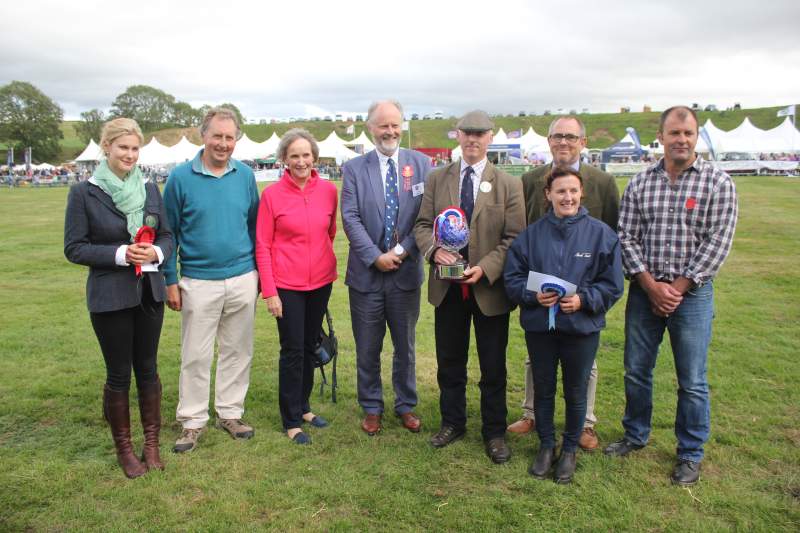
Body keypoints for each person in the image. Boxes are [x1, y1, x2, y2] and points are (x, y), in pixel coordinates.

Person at [605, 106, 738, 487]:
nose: (681, 140)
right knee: (636, 370)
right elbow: (626, 236)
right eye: (674, 133)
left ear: (696, 137)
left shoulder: (718, 183)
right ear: (660, 137)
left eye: (688, 134)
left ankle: (690, 452)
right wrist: (649, 285)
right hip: (645, 292)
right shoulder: (640, 183)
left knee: (692, 379)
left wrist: (677, 288)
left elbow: (718, 242)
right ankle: (635, 435)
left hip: (691, 296)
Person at [414, 110, 525, 464]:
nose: (473, 139)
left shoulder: (508, 183)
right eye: (467, 133)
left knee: (493, 366)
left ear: (491, 137)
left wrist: (485, 267)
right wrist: (434, 252)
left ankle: (494, 432)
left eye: (480, 134)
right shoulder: (437, 179)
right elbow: (421, 225)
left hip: (488, 289)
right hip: (447, 287)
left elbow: (514, 237)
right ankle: (452, 422)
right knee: (450, 361)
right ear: (457, 136)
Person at [64, 118, 173, 478]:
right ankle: (125, 449)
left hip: (149, 293)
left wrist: (155, 253)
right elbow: (75, 248)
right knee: (119, 375)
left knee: (148, 369)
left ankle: (152, 444)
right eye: (122, 147)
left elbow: (168, 237)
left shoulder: (149, 187)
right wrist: (121, 254)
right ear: (106, 147)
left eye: (134, 148)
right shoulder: (85, 192)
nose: (129, 154)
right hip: (110, 296)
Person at [504, 167, 623, 483]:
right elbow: (512, 279)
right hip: (541, 327)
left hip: (581, 328)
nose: (567, 197)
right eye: (560, 191)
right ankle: (546, 445)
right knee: (543, 387)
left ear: (581, 192)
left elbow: (612, 285)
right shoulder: (531, 235)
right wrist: (533, 295)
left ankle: (569, 448)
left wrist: (584, 300)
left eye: (572, 191)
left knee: (575, 389)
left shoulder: (601, 235)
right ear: (548, 195)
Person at [163, 107, 260, 453]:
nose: (222, 143)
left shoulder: (246, 176)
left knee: (238, 350)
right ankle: (192, 421)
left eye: (229, 137)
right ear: (203, 136)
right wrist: (169, 279)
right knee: (196, 354)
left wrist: (256, 274)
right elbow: (167, 232)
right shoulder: (179, 178)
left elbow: (253, 225)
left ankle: (230, 413)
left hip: (242, 277)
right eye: (216, 136)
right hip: (197, 280)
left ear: (236, 140)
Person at [341, 100, 431, 436]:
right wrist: (375, 256)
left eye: (395, 124)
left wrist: (404, 250)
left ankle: (405, 404)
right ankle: (372, 406)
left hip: (406, 274)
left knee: (405, 346)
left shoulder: (422, 164)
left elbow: (426, 215)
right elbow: (349, 217)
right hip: (366, 274)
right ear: (370, 128)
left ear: (402, 125)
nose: (389, 131)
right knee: (367, 346)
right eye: (383, 126)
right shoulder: (353, 169)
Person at [255, 129, 338, 445]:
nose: (301, 161)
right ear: (284, 160)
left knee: (309, 344)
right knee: (292, 349)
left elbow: (330, 232)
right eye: (294, 156)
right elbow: (262, 245)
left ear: (314, 157)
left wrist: (319, 262)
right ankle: (291, 419)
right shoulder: (272, 196)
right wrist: (270, 290)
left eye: (306, 155)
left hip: (320, 282)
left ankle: (303, 407)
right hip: (286, 284)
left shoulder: (329, 190)